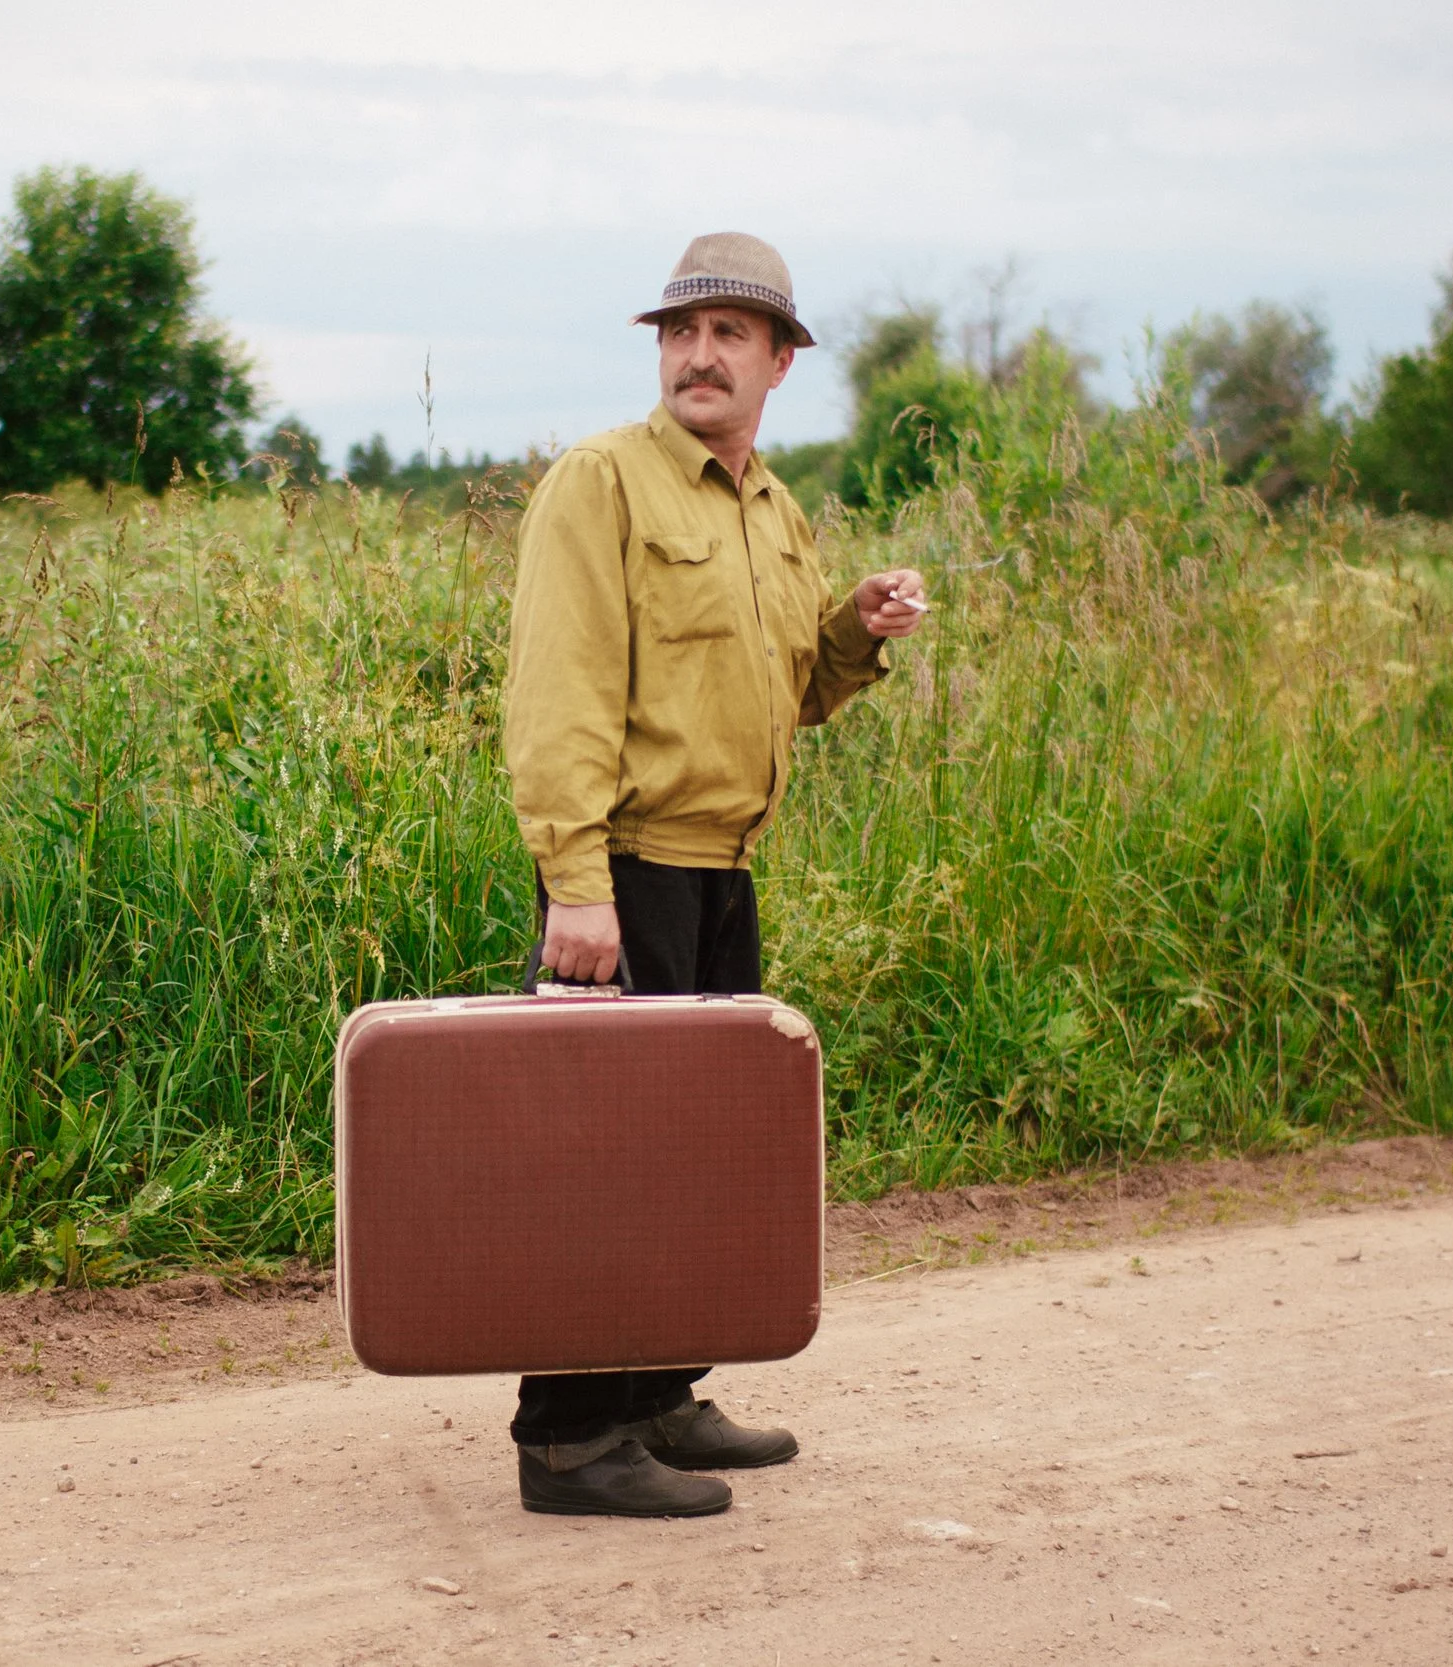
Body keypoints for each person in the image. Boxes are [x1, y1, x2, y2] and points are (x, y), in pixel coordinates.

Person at [501, 232, 927, 1517]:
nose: (699, 354)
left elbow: (787, 693)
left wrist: (853, 629)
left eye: (730, 333)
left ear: (779, 361)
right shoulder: (601, 483)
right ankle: (569, 1438)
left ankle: (655, 1395)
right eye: (681, 332)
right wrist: (576, 881)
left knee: (685, 1159)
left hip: (723, 873)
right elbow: (560, 691)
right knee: (597, 1166)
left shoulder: (772, 508)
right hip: (624, 874)